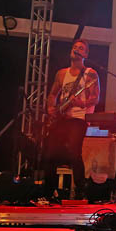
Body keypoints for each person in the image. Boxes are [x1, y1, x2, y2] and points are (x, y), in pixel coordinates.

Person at [43, 39, 100, 199]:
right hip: (61, 119)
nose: (76, 49)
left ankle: (80, 191)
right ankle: (49, 193)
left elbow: (95, 98)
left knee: (74, 153)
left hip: (78, 119)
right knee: (50, 155)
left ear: (85, 54)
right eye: (75, 47)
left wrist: (81, 102)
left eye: (80, 48)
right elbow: (53, 94)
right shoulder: (61, 73)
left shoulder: (90, 73)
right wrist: (50, 108)